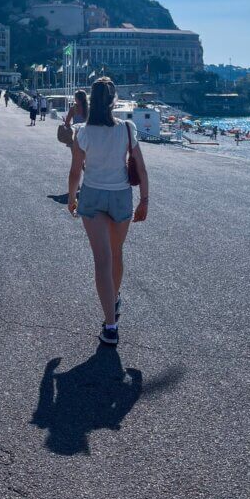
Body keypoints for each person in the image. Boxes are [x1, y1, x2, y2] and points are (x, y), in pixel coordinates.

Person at [68, 77, 148, 346]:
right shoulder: (127, 128)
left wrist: (71, 198)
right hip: (121, 197)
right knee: (116, 254)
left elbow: (75, 170)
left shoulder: (83, 132)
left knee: (102, 260)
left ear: (91, 100)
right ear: (114, 101)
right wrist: (144, 200)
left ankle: (111, 326)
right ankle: (113, 300)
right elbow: (141, 167)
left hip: (92, 196)